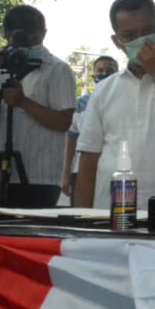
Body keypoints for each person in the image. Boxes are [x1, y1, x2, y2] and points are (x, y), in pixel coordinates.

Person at [0, 4, 76, 212]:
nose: (26, 42)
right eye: (18, 35)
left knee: (26, 239)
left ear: (44, 34)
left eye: (33, 35)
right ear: (6, 34)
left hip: (39, 175)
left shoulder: (58, 69)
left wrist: (23, 102)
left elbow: (63, 122)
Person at [74, 0, 155, 207]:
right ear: (117, 41)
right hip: (110, 210)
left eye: (147, 32)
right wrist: (81, 221)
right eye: (129, 35)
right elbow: (89, 158)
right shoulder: (104, 90)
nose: (141, 40)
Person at [63, 54, 119, 201]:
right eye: (100, 70)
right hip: (81, 171)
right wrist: (66, 173)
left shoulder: (122, 100)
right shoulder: (81, 103)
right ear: (93, 75)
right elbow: (72, 138)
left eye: (109, 70)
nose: (104, 74)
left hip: (111, 169)